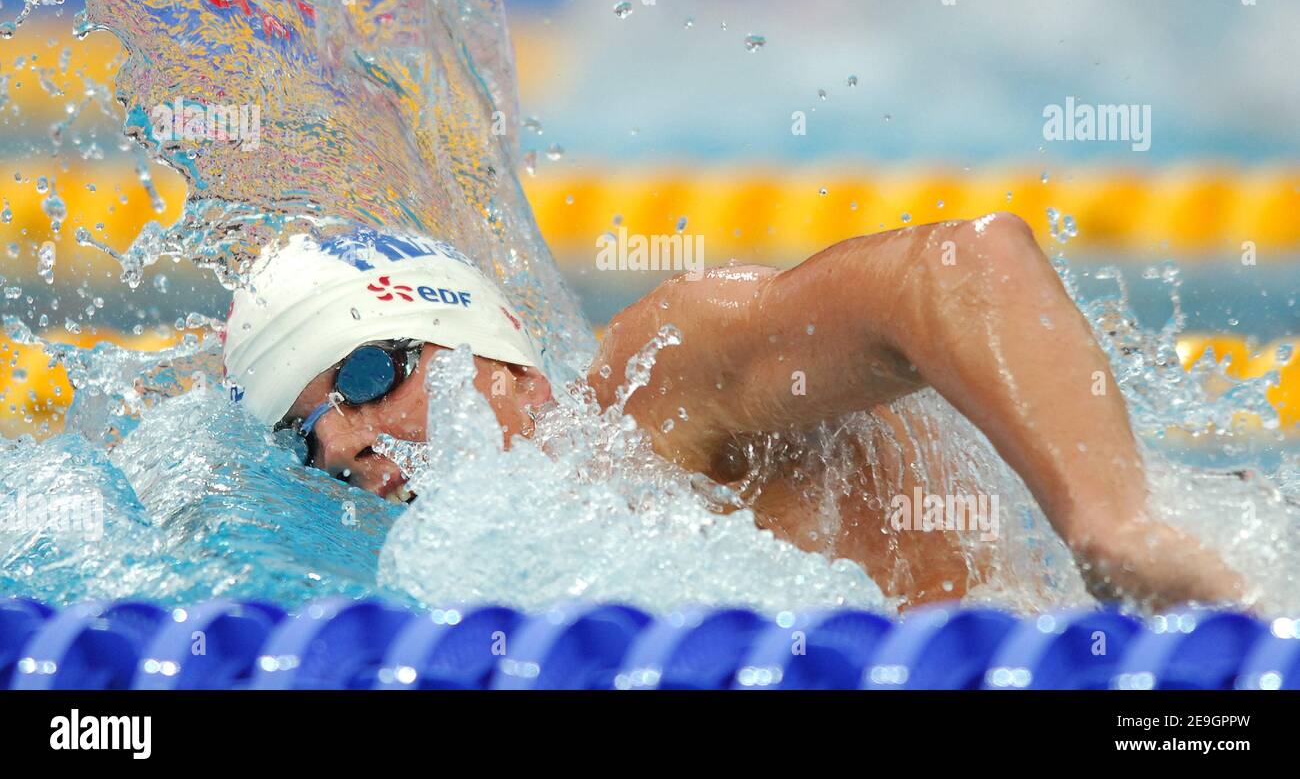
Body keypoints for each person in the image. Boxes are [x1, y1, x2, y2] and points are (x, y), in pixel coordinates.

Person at [222, 217, 1250, 611]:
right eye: (313, 435)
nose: (352, 438)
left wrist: (1111, 523)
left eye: (364, 373)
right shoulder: (475, 584)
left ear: (487, 346)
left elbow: (961, 264)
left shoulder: (658, 386)